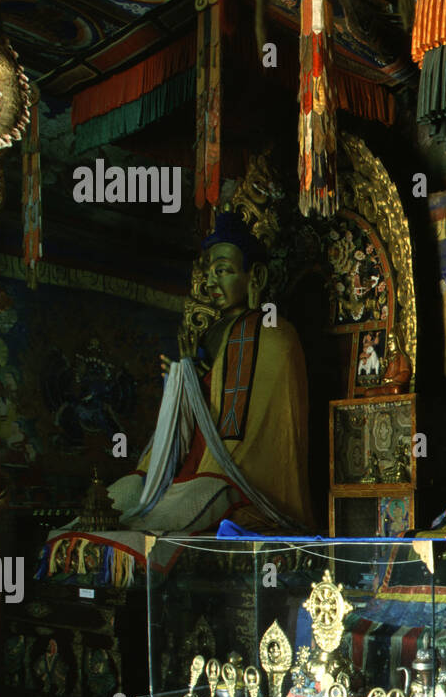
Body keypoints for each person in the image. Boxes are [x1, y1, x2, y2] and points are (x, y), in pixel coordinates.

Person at [67, 212, 312, 536]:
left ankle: (135, 546)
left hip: (235, 471)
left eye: (223, 271)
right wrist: (182, 385)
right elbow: (187, 417)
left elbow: (265, 435)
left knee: (161, 519)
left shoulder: (275, 334)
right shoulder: (209, 334)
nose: (212, 282)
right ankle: (82, 538)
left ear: (256, 276)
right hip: (181, 464)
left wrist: (200, 384)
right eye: (209, 273)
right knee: (124, 493)